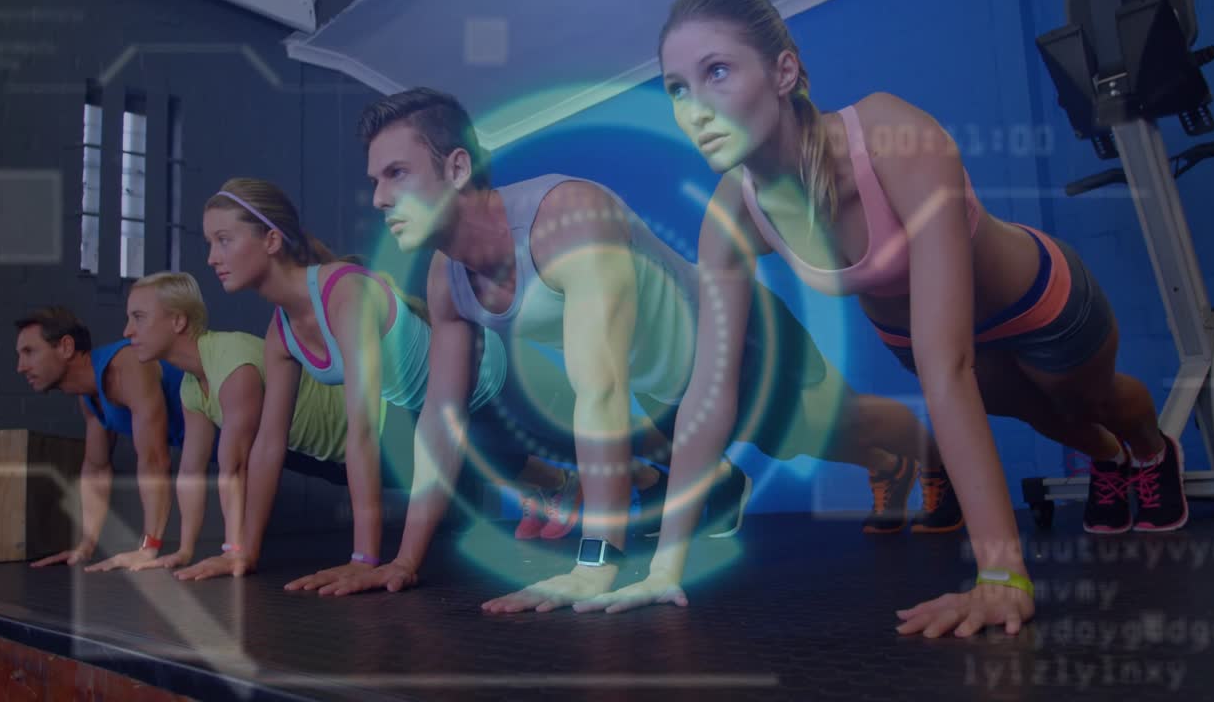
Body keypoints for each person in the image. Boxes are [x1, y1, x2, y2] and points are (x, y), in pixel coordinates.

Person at [585, 0, 1185, 638]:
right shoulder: (733, 213)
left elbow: (946, 366)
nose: (695, 107)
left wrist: (1001, 577)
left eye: (717, 72)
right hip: (922, 337)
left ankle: (1152, 452)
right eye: (676, 88)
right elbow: (711, 388)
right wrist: (665, 566)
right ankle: (1109, 460)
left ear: (784, 71)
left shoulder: (891, 138)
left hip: (1037, 299)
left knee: (1090, 399)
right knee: (1050, 419)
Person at [332, 87, 952, 614]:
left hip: (739, 342)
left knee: (836, 431)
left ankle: (918, 454)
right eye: (372, 181)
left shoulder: (565, 218)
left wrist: (596, 559)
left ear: (457, 168)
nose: (380, 198)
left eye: (397, 174)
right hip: (663, 394)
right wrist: (402, 561)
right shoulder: (448, 282)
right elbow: (441, 424)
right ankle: (720, 481)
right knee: (575, 422)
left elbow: (600, 390)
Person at [186, 177, 666, 592]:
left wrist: (364, 559)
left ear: (270, 240)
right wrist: (240, 550)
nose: (211, 257)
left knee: (616, 435)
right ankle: (643, 481)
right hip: (447, 410)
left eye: (223, 240)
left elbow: (363, 431)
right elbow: (269, 446)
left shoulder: (343, 292)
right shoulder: (281, 332)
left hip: (498, 381)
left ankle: (687, 463)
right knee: (498, 463)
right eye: (210, 243)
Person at [115, 271, 355, 572]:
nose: (127, 331)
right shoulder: (191, 386)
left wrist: (235, 552)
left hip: (377, 437)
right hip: (337, 461)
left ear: (178, 321)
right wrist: (184, 551)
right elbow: (192, 471)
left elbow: (236, 467)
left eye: (138, 317)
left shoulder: (232, 362)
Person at [15, 305, 184, 571]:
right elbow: (96, 467)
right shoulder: (90, 398)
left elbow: (154, 458)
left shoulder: (126, 364)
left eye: (29, 352)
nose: (20, 367)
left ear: (66, 347)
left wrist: (148, 549)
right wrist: (86, 546)